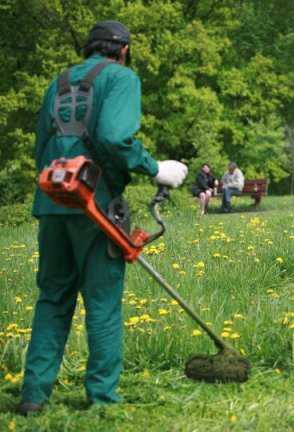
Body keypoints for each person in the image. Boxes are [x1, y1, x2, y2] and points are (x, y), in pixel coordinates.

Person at [17, 20, 188, 415]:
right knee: (102, 303)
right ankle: (102, 399)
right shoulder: (121, 78)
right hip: (94, 205)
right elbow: (114, 137)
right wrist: (154, 167)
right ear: (124, 49)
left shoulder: (58, 82)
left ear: (89, 48)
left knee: (53, 298)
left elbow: (41, 145)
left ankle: (33, 395)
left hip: (52, 200)